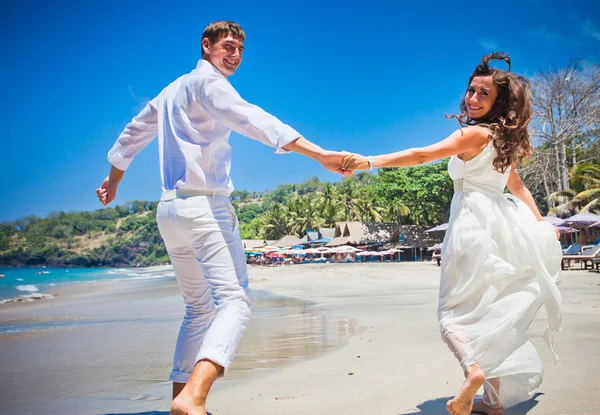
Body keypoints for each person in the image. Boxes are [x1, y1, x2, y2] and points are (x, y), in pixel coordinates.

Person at [96, 20, 348, 415]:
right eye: (227, 46)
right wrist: (320, 154)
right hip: (204, 207)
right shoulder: (209, 85)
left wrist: (113, 180)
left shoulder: (170, 91)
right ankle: (193, 398)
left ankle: (180, 400)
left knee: (198, 309)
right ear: (206, 45)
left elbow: (133, 133)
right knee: (235, 302)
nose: (234, 55)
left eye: (240, 50)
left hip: (169, 210)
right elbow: (254, 119)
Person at [342, 53, 562, 415]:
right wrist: (541, 224)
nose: (472, 99)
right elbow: (517, 187)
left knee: (451, 314)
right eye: (471, 91)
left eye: (483, 95)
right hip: (502, 228)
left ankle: (473, 370)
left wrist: (369, 161)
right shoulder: (499, 139)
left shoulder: (472, 133)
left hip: (472, 226)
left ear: (498, 103)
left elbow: (420, 154)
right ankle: (493, 402)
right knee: (488, 312)